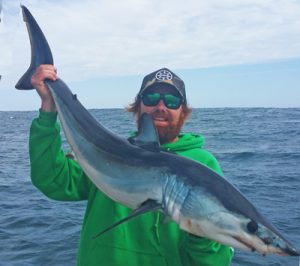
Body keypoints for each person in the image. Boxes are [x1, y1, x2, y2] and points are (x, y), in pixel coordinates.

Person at [30, 66, 234, 266]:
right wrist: (48, 109)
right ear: (137, 107)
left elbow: (215, 261)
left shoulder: (203, 163)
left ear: (183, 111)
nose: (161, 107)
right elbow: (52, 180)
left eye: (172, 101)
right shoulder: (107, 154)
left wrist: (202, 231)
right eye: (151, 98)